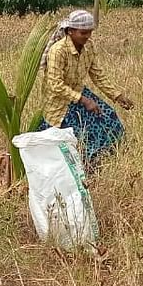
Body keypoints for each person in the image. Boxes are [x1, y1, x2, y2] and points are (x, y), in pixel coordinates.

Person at [38, 9, 134, 168]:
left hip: (79, 92)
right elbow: (54, 85)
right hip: (58, 102)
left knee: (108, 116)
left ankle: (101, 161)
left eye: (90, 32)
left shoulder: (89, 47)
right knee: (79, 133)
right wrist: (83, 100)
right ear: (70, 31)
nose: (87, 36)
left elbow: (97, 75)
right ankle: (85, 166)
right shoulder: (58, 51)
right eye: (83, 33)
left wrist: (117, 96)